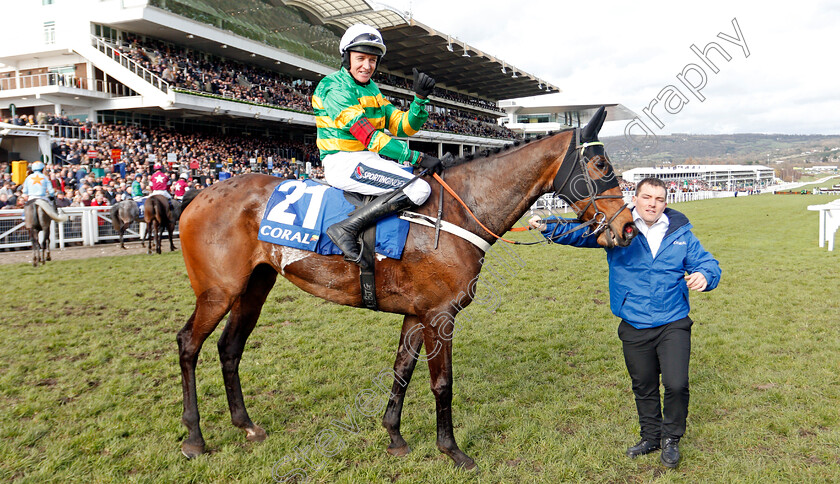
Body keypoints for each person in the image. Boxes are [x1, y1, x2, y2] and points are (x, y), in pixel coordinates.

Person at [529, 177, 721, 469]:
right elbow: (580, 232)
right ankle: (651, 437)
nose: (652, 204)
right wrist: (548, 226)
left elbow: (708, 263)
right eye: (647, 197)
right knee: (643, 386)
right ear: (636, 197)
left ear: (665, 203)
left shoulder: (681, 233)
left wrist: (706, 276)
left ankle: (671, 440)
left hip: (673, 321)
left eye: (658, 199)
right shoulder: (620, 226)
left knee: (676, 384)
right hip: (634, 322)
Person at [312, 23, 442, 263]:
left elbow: (403, 126)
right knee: (419, 189)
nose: (367, 66)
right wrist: (418, 158)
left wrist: (420, 101)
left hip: (367, 158)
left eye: (372, 60)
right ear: (346, 58)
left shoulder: (372, 89)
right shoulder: (333, 86)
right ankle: (346, 229)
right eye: (360, 58)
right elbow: (369, 136)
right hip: (343, 162)